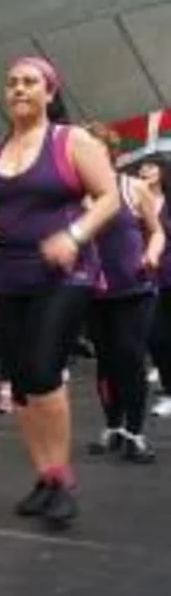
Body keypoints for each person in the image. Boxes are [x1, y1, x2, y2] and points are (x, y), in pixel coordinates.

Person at [0, 56, 119, 528]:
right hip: (6, 276)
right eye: (12, 83)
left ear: (49, 92)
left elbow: (109, 197)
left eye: (30, 82)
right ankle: (44, 476)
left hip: (62, 274)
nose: (19, 89)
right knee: (21, 382)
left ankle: (63, 479)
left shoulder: (72, 141)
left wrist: (74, 236)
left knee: (44, 370)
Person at [84, 122, 163, 462]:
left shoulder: (133, 188)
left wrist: (151, 254)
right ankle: (113, 426)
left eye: (95, 149)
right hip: (93, 293)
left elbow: (156, 231)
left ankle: (134, 432)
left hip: (134, 289)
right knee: (106, 361)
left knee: (130, 358)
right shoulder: (73, 196)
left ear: (111, 154)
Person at [138, 159, 171, 417]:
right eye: (142, 167)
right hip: (147, 276)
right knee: (156, 335)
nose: (145, 171)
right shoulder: (136, 200)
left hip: (169, 272)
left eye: (151, 166)